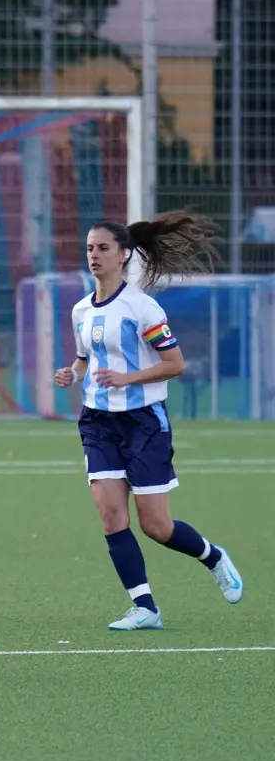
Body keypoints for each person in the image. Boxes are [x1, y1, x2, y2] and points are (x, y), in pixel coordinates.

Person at [52, 213, 242, 631]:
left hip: (143, 422)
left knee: (156, 525)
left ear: (123, 255)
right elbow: (86, 357)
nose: (94, 255)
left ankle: (212, 556)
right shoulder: (81, 310)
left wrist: (128, 378)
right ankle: (145, 608)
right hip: (97, 422)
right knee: (110, 517)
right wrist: (73, 373)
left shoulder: (142, 308)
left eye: (102, 248)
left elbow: (175, 364)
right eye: (89, 248)